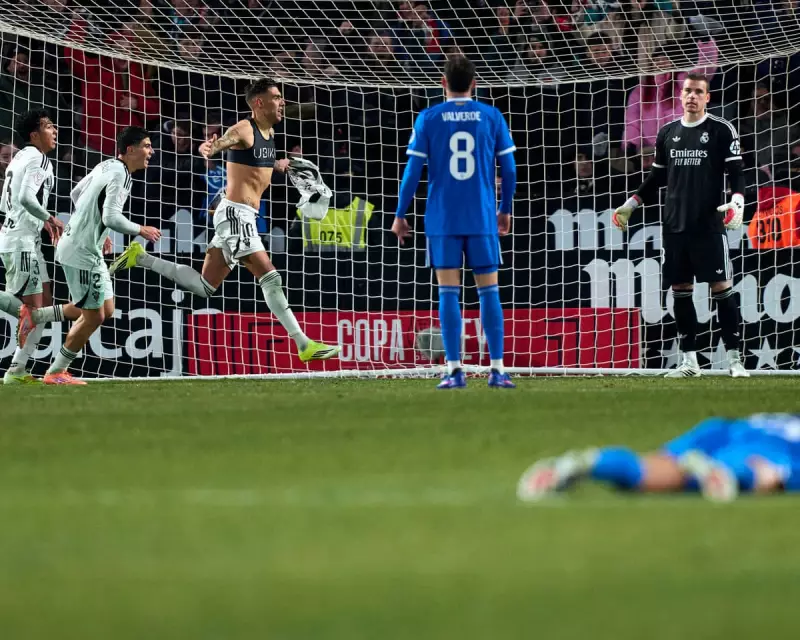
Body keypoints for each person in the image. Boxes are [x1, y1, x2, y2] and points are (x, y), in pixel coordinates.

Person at [110, 78, 339, 363]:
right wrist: (209, 147)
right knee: (270, 276)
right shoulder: (245, 127)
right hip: (236, 214)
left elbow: (255, 170)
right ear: (258, 102)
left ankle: (141, 258)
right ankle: (303, 344)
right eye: (277, 97)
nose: (282, 102)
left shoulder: (269, 135)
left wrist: (279, 164)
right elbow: (220, 144)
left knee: (205, 286)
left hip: (240, 216)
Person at [611, 72, 748, 378]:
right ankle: (689, 362)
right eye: (688, 91)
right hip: (675, 225)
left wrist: (737, 200)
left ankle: (735, 360)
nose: (692, 96)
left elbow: (737, 172)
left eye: (699, 91)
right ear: (681, 94)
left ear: (707, 97)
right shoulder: (667, 133)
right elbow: (657, 178)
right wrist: (630, 204)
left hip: (708, 225)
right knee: (680, 290)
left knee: (721, 289)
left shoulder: (721, 130)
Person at [392, 55, 517, 389]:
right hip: (481, 216)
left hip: (442, 219)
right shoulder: (491, 116)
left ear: (443, 82)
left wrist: (400, 214)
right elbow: (511, 170)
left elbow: (412, 173)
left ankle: (454, 369)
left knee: (448, 292)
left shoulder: (429, 117)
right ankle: (498, 369)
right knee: (489, 291)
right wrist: (504, 208)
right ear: (474, 83)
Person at [42, 126, 161, 385]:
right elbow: (110, 216)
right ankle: (55, 372)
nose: (151, 152)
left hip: (84, 246)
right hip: (81, 252)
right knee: (93, 316)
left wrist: (99, 229)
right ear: (130, 150)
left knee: (105, 309)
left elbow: (77, 193)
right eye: (147, 146)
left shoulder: (106, 165)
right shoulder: (121, 176)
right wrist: (140, 229)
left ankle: (36, 316)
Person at [517, 413, 800, 503]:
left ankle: (591, 461)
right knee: (767, 474)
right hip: (773, 450)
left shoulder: (777, 417)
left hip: (724, 429)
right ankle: (721, 472)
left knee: (653, 468)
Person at [0, 109, 82, 384]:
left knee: (43, 307)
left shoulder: (19, 157)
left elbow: (7, 203)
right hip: (21, 241)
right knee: (33, 313)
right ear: (34, 135)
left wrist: (39, 221)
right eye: (48, 127)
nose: (55, 130)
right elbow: (24, 197)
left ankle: (16, 370)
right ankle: (18, 370)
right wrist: (48, 217)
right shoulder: (39, 160)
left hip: (23, 238)